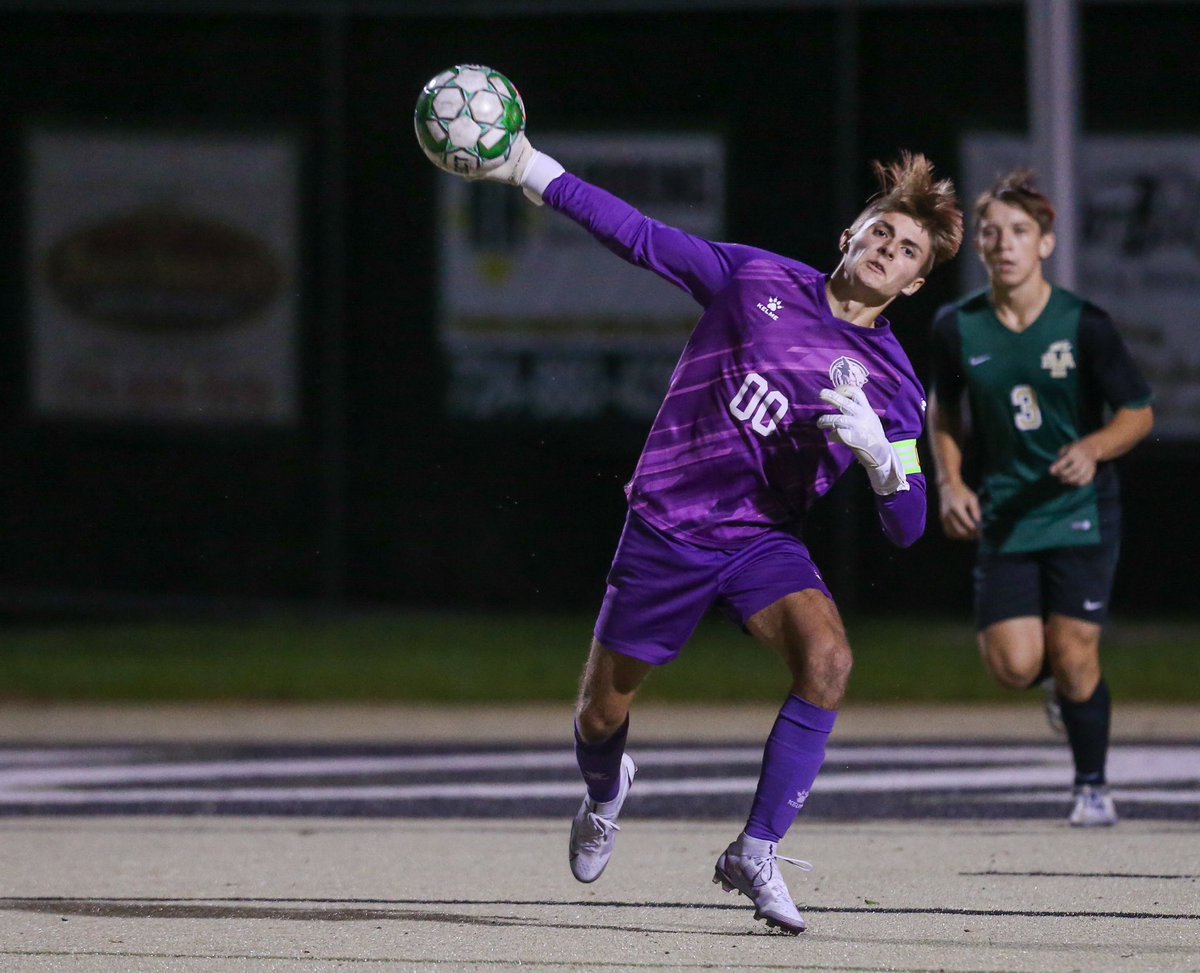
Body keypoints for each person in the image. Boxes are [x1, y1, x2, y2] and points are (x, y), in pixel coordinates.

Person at [432, 127, 963, 934]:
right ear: (849, 236)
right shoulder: (754, 279)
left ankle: (757, 849)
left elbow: (909, 527)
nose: (889, 248)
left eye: (908, 248)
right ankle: (607, 790)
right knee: (601, 714)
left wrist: (888, 469)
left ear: (917, 283)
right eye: (881, 229)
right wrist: (529, 168)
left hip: (759, 539)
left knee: (829, 659)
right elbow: (641, 238)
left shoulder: (891, 381)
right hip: (668, 526)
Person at [927, 169, 1153, 828]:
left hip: (1079, 508)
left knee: (1077, 649)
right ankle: (1054, 684)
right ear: (980, 247)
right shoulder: (956, 327)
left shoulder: (1085, 325)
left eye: (1019, 232)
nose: (1004, 243)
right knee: (1013, 665)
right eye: (992, 232)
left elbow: (1137, 412)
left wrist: (1094, 447)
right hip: (1005, 508)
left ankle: (1092, 786)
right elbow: (941, 408)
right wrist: (951, 481)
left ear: (1045, 244)